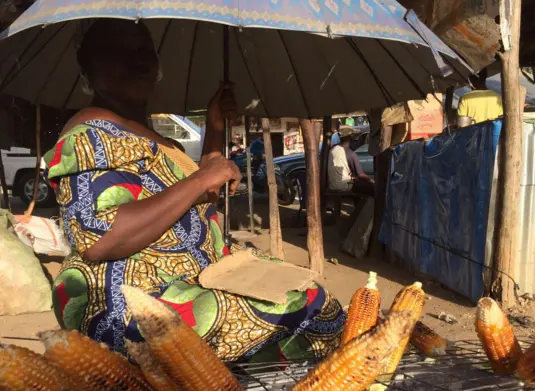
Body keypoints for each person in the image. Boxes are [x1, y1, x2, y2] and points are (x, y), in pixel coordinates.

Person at [45, 19, 346, 362]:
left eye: (145, 50)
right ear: (88, 65)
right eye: (118, 51)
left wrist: (215, 128)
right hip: (128, 300)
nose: (139, 60)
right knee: (299, 310)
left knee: (310, 295)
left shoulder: (146, 133)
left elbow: (190, 204)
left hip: (195, 275)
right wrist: (200, 181)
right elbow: (100, 239)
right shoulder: (88, 136)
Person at [328, 125, 374, 196]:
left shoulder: (333, 148)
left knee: (356, 181)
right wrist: (371, 180)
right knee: (372, 187)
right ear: (350, 137)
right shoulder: (351, 154)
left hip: (332, 184)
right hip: (345, 184)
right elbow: (360, 175)